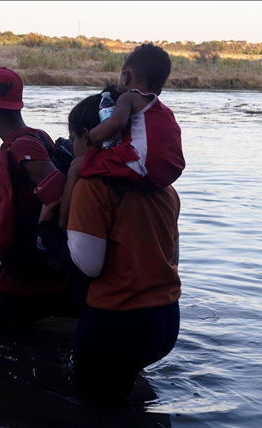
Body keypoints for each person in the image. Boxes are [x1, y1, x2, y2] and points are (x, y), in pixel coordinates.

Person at [37, 93, 181, 400]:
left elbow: (87, 265)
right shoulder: (163, 187)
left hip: (118, 323)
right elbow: (171, 258)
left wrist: (46, 230)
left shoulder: (93, 187)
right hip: (166, 320)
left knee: (95, 414)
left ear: (86, 135)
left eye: (74, 138)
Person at [0, 67, 74, 329]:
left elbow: (60, 193)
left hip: (23, 286)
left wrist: (48, 231)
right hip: (43, 280)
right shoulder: (38, 137)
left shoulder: (23, 146)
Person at [59, 43, 185, 228]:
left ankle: (61, 223)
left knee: (76, 166)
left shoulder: (129, 97)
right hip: (170, 171)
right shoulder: (164, 110)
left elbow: (116, 122)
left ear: (125, 77)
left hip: (142, 161)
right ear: (159, 91)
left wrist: (93, 136)